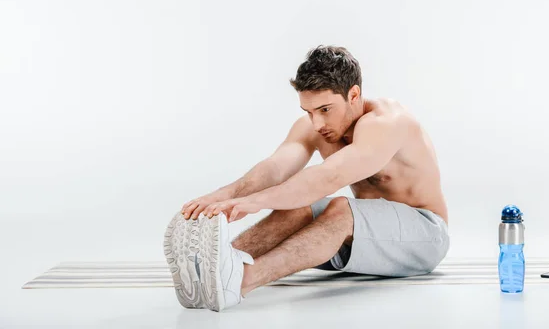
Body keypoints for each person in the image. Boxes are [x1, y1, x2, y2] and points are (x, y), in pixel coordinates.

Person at [164, 45, 449, 312]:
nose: (316, 124)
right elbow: (275, 168)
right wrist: (224, 196)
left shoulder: (386, 123)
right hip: (370, 242)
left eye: (325, 110)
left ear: (353, 95)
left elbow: (328, 177)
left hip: (425, 237)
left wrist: (255, 202)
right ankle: (215, 268)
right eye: (308, 112)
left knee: (339, 207)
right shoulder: (319, 126)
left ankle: (240, 281)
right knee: (298, 206)